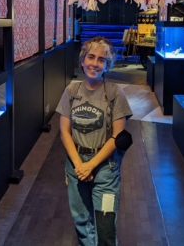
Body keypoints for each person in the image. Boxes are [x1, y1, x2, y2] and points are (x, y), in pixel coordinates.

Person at [56, 36, 132, 246]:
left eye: (101, 60)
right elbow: (64, 131)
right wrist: (80, 165)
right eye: (91, 57)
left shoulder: (114, 93)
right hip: (76, 166)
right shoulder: (71, 91)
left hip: (105, 169)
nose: (95, 63)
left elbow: (118, 136)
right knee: (82, 224)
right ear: (82, 60)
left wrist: (91, 165)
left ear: (107, 65)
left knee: (105, 227)